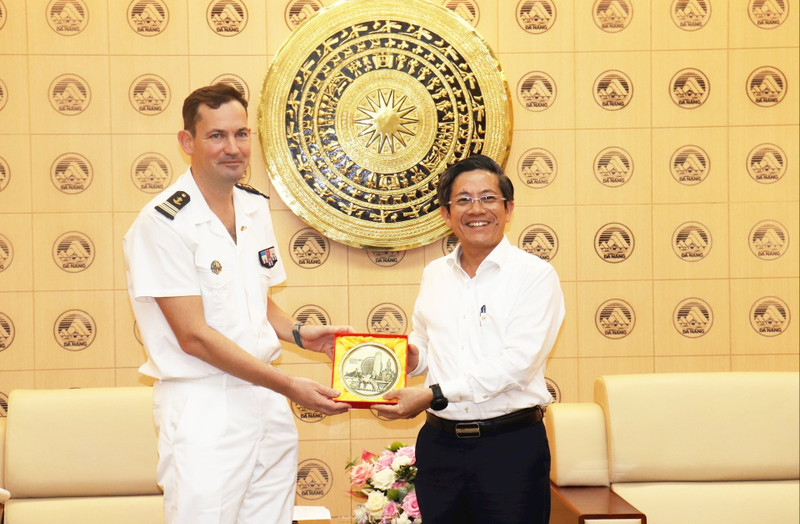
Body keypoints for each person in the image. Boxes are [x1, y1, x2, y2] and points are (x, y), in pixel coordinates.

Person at [123, 83, 351, 524]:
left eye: (241, 134)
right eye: (217, 135)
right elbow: (194, 337)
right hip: (205, 404)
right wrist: (289, 385)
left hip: (266, 400)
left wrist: (300, 334)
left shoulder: (253, 208)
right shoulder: (163, 223)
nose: (233, 148)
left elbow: (256, 302)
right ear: (187, 141)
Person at [375, 154, 565, 523]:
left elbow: (517, 365)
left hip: (509, 448)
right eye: (463, 200)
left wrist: (434, 394)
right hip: (439, 448)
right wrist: (410, 358)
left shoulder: (535, 276)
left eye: (488, 198)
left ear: (508, 208)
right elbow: (425, 341)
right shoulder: (435, 274)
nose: (476, 209)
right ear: (446, 214)